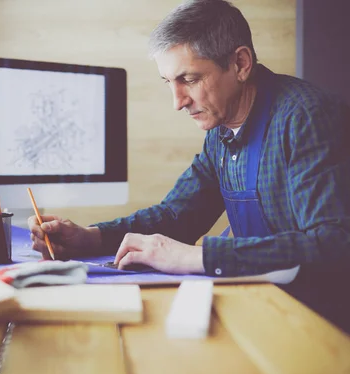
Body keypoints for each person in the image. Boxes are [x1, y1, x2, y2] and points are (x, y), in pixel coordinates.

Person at [28, 0, 350, 333]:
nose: (178, 101)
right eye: (169, 82)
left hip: (320, 323)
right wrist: (91, 238)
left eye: (190, 79)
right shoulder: (221, 127)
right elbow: (177, 215)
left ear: (240, 63)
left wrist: (193, 257)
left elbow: (334, 243)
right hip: (265, 307)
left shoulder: (306, 118)